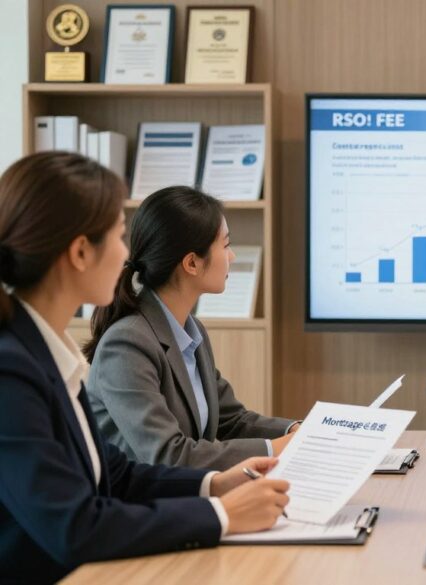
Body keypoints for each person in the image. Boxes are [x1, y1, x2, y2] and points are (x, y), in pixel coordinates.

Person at [0, 152, 289, 583]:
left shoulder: (47, 351)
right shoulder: (11, 372)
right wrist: (220, 515)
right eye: (118, 237)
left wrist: (213, 485)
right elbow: (74, 528)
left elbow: (113, 473)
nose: (126, 256)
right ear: (80, 251)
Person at [85, 186, 298, 470]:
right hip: (141, 507)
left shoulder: (190, 330)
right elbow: (169, 456)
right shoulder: (126, 345)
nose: (231, 256)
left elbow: (231, 421)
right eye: (225, 245)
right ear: (192, 263)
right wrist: (275, 448)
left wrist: (296, 430)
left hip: (184, 498)